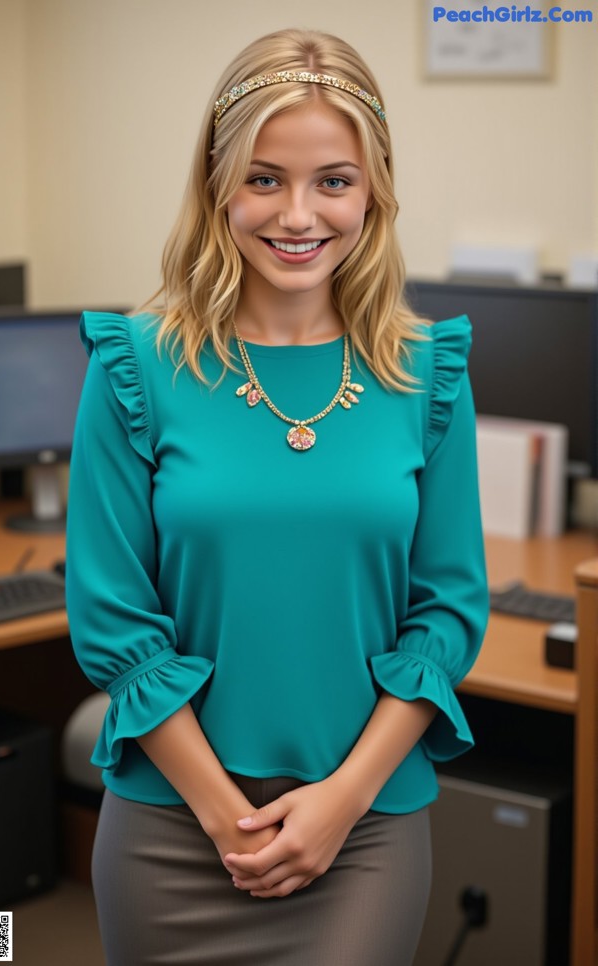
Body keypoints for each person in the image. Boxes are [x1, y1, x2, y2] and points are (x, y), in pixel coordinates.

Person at [65, 26, 489, 966]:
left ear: (374, 188)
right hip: (172, 828)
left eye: (332, 180)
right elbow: (113, 617)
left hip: (363, 830)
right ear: (218, 184)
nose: (298, 215)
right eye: (264, 178)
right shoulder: (135, 365)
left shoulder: (429, 375)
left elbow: (447, 615)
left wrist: (341, 803)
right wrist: (226, 817)